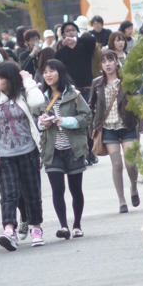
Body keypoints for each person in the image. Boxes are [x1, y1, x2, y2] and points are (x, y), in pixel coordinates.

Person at [0, 61, 45, 251]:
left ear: (10, 79)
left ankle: (36, 228)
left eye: (0, 78)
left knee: (33, 192)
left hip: (28, 151)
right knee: (9, 194)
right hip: (3, 154)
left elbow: (38, 101)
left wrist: (27, 80)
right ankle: (9, 230)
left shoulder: (24, 93)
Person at [38, 60, 92, 239]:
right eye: (45, 72)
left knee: (75, 189)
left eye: (51, 71)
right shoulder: (40, 97)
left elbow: (86, 116)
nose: (48, 75)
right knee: (57, 189)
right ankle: (63, 226)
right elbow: (34, 120)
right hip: (52, 150)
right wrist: (41, 123)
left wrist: (66, 121)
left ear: (60, 73)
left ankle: (77, 225)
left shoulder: (74, 94)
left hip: (73, 148)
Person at [89, 50, 141, 213]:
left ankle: (133, 187)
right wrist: (93, 127)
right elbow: (90, 106)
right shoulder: (97, 83)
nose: (107, 64)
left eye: (110, 60)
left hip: (127, 125)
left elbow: (138, 102)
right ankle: (122, 200)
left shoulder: (126, 81)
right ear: (101, 65)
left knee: (131, 162)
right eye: (104, 62)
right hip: (108, 128)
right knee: (117, 163)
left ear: (116, 62)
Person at [56, 21, 98, 164]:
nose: (70, 33)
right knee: (75, 122)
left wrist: (76, 39)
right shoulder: (60, 52)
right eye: (67, 31)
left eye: (73, 30)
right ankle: (81, 154)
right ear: (62, 34)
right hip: (71, 92)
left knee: (88, 121)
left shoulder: (84, 47)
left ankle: (91, 152)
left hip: (86, 90)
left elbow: (91, 39)